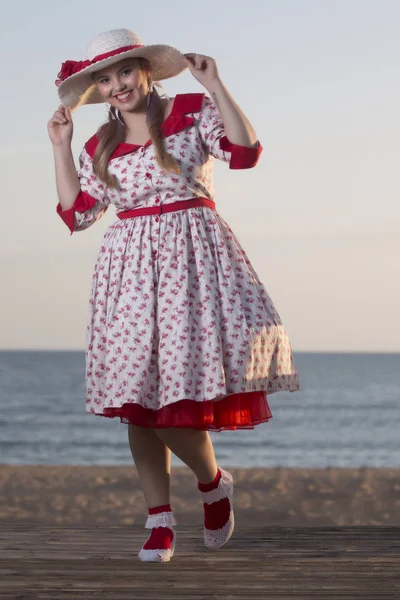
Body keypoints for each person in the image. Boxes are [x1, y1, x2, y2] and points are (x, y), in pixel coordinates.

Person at [47, 28, 300, 562]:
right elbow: (77, 215)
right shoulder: (101, 144)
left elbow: (245, 152)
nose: (117, 85)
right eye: (105, 78)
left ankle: (211, 483)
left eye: (124, 72)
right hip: (129, 273)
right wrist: (61, 147)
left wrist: (217, 86)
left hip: (194, 262)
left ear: (144, 71)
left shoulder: (189, 109)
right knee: (138, 403)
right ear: (98, 87)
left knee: (172, 403)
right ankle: (159, 521)